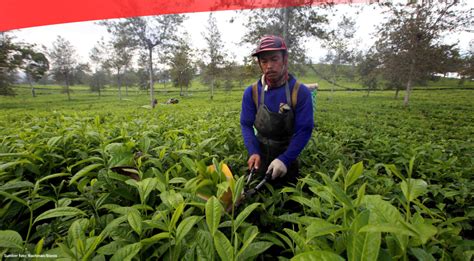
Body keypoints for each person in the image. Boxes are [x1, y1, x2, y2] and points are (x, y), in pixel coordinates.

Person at [240, 35, 314, 186]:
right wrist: (253, 151)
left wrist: (285, 159)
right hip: (259, 157)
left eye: (274, 59)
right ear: (259, 63)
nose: (269, 66)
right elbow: (246, 124)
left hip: (288, 154)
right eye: (264, 61)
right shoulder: (252, 92)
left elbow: (304, 130)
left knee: (288, 201)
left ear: (285, 59)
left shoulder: (299, 92)